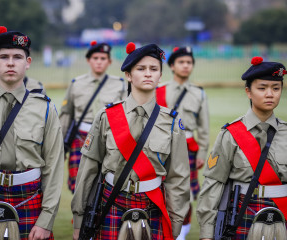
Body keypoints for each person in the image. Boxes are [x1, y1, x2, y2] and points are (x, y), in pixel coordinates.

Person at [71, 42, 190, 240]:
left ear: (161, 75)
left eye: (154, 69)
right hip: (111, 203)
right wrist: (79, 220)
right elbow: (88, 169)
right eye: (141, 69)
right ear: (128, 75)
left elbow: (178, 177)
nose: (148, 74)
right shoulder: (106, 116)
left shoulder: (172, 121)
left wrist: (175, 224)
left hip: (152, 206)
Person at [0, 26, 64, 240]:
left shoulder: (45, 109)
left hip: (28, 198)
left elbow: (54, 168)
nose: (10, 62)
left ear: (27, 63)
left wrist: (46, 219)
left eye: (18, 57)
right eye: (4, 57)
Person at [197, 56, 287, 239]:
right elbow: (213, 184)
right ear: (248, 92)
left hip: (282, 215)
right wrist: (207, 233)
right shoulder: (230, 134)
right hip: (241, 213)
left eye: (276, 88)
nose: (270, 94)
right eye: (262, 88)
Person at [156, 46, 209, 239]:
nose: (186, 66)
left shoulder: (198, 93)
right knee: (161, 190)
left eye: (189, 62)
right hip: (162, 147)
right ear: (171, 65)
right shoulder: (159, 91)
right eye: (181, 62)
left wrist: (202, 153)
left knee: (184, 192)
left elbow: (204, 127)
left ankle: (181, 234)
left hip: (188, 149)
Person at [59, 40, 126, 193]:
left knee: (106, 185)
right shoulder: (76, 84)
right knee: (79, 185)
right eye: (95, 58)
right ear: (88, 60)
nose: (99, 62)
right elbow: (66, 116)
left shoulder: (119, 85)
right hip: (81, 138)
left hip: (109, 139)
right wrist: (61, 148)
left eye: (103, 59)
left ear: (109, 61)